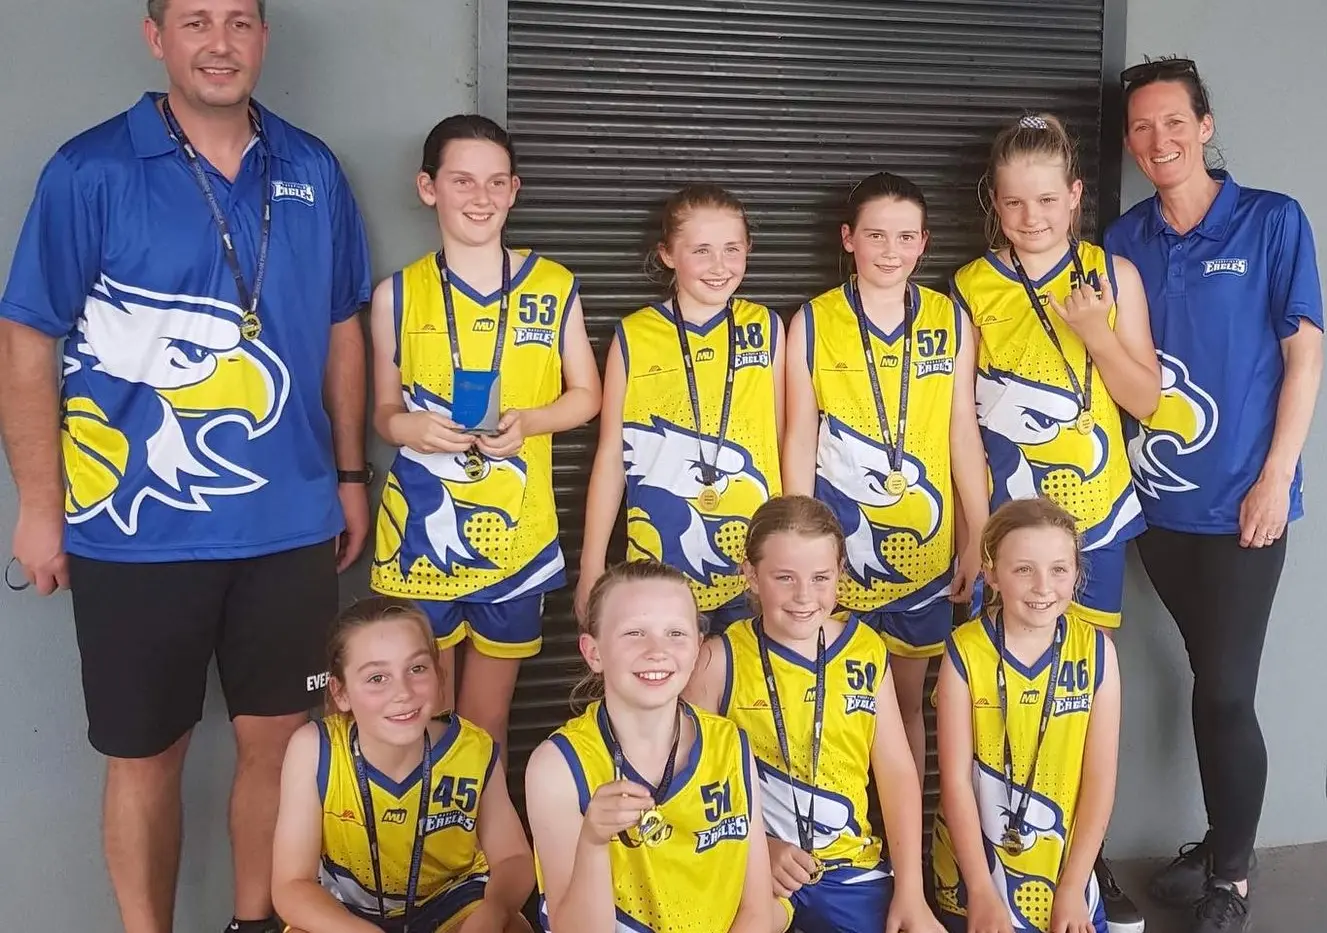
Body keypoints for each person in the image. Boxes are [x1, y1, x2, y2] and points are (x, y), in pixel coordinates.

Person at [0, 3, 372, 931]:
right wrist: (40, 505)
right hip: (132, 528)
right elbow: (26, 338)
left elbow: (341, 329)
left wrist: (352, 473)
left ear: (262, 39)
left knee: (281, 745)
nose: (219, 43)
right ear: (156, 36)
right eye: (196, 21)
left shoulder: (312, 167)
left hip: (288, 521)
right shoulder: (91, 169)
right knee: (144, 753)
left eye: (239, 22)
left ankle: (256, 922)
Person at [1104, 58, 1325, 933]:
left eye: (1172, 121)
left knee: (1227, 690)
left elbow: (1304, 357)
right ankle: (1223, 832)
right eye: (1141, 127)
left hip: (1245, 509)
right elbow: (1126, 381)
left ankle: (1231, 874)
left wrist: (1276, 477)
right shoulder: (1122, 243)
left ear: (1203, 124)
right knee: (1208, 681)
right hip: (1156, 512)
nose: (1157, 140)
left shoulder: (1272, 221)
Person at [951, 112, 1160, 933]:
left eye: (1047, 199)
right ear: (995, 207)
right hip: (1012, 535)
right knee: (1001, 694)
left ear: (1075, 196)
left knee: (1083, 694)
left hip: (1096, 527)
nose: (1032, 216)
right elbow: (960, 423)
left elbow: (1144, 399)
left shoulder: (1113, 273)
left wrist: (1095, 333)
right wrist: (978, 530)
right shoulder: (969, 286)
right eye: (1014, 203)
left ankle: (1084, 859)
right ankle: (983, 863)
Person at [367, 114, 602, 746]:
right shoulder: (398, 293)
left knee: (486, 724)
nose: (481, 197)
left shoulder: (553, 285)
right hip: (421, 537)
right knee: (422, 720)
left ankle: (475, 846)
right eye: (463, 180)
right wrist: (408, 427)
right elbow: (382, 414)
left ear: (514, 191)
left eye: (497, 183)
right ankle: (428, 846)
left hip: (516, 538)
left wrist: (531, 421)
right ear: (428, 187)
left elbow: (587, 396)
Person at [783, 172, 989, 780]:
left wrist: (976, 534)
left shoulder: (950, 321)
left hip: (926, 557)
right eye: (875, 235)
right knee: (828, 706)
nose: (890, 251)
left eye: (905, 236)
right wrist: (798, 542)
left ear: (925, 242)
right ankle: (839, 842)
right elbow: (798, 433)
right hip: (838, 559)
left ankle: (905, 855)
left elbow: (962, 435)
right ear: (848, 239)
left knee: (904, 708)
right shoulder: (813, 322)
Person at [686, 495, 944, 933]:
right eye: (784, 577)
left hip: (849, 867)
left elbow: (897, 772)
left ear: (841, 574)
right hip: (753, 869)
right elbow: (687, 787)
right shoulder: (718, 660)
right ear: (750, 575)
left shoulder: (865, 649)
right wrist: (759, 848)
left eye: (820, 577)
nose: (804, 596)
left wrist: (912, 892)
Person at [525, 560, 777, 933]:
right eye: (634, 633)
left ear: (697, 649)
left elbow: (757, 910)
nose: (657, 650)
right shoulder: (556, 766)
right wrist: (594, 841)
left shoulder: (730, 744)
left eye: (676, 633)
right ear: (593, 652)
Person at [576, 183, 784, 631]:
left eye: (732, 249)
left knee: (745, 692)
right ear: (668, 254)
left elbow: (787, 440)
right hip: (660, 565)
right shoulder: (634, 335)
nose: (719, 266)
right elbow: (613, 454)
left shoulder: (767, 328)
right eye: (701, 251)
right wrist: (592, 564)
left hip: (752, 563)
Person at [271, 597, 535, 933]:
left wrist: (493, 911)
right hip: (348, 913)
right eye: (377, 678)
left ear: (440, 677)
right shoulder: (315, 749)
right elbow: (291, 885)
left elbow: (514, 859)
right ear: (341, 693)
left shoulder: (473, 749)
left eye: (417, 669)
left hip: (449, 903)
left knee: (514, 927)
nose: (403, 692)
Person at [931, 497, 1121, 933]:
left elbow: (1100, 779)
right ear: (992, 573)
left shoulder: (1096, 653)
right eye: (1023, 569)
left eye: (1058, 569)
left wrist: (1073, 888)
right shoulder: (965, 650)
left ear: (1075, 574)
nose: (1043, 586)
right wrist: (979, 890)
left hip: (1062, 873)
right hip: (972, 875)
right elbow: (956, 781)